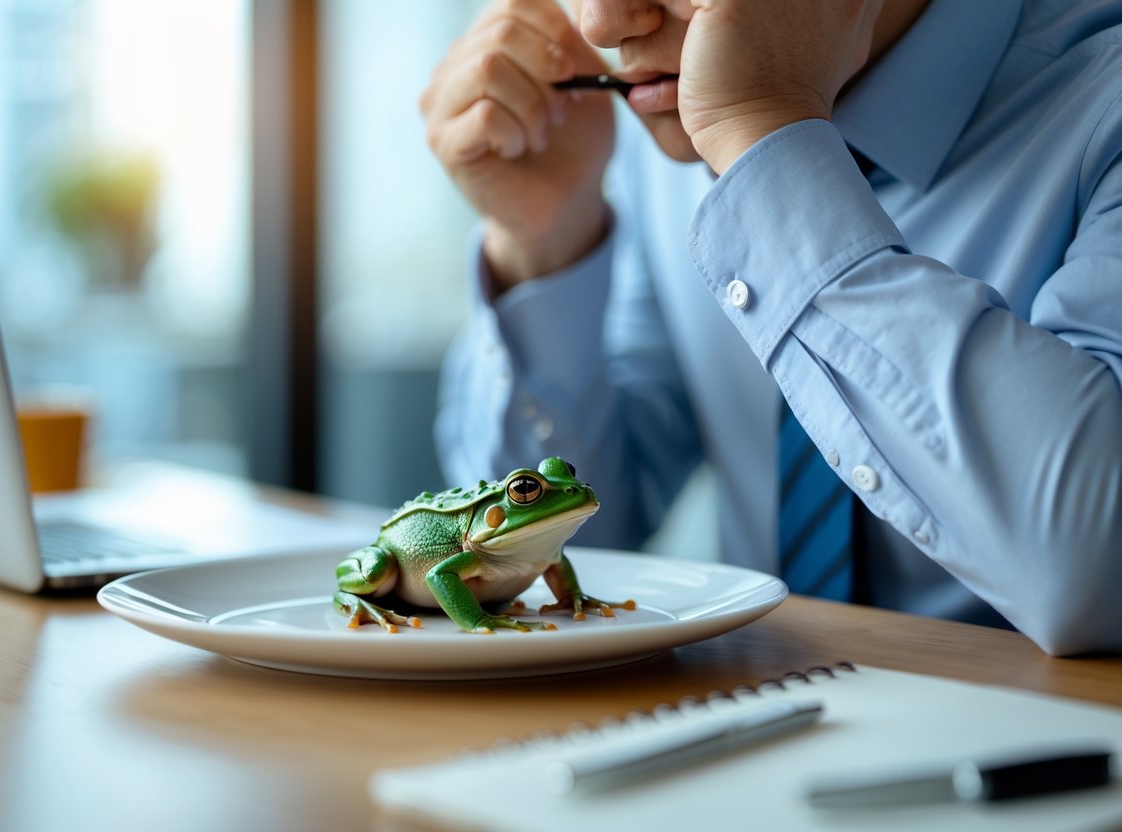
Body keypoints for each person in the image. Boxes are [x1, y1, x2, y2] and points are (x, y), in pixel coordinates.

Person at [419, 0, 1122, 656]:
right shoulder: (660, 132)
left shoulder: (1102, 101)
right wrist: (545, 241)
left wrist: (763, 134)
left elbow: (1097, 576)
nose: (602, 23)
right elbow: (580, 539)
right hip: (743, 718)